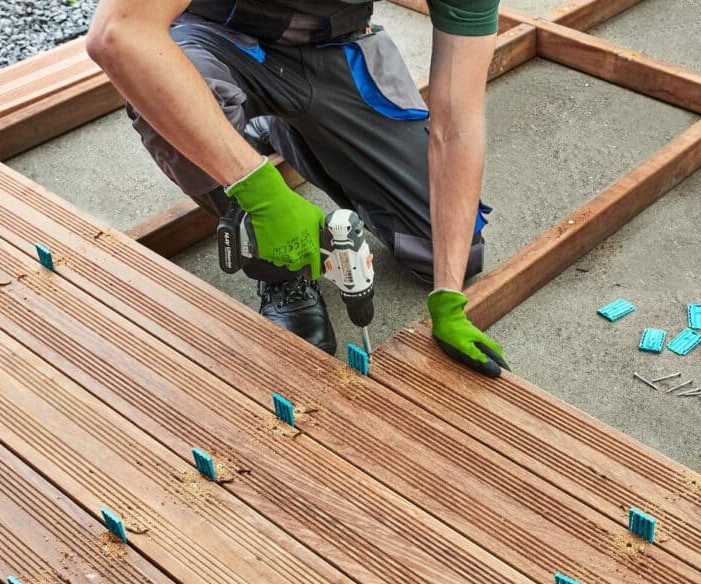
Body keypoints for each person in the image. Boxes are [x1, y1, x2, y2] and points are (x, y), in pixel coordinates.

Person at [87, 0, 509, 377]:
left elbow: (457, 125)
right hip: (218, 37)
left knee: (443, 244)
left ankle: (279, 127)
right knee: (163, 85)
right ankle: (278, 266)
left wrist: (449, 293)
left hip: (333, 45)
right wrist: (261, 193)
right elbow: (119, 33)